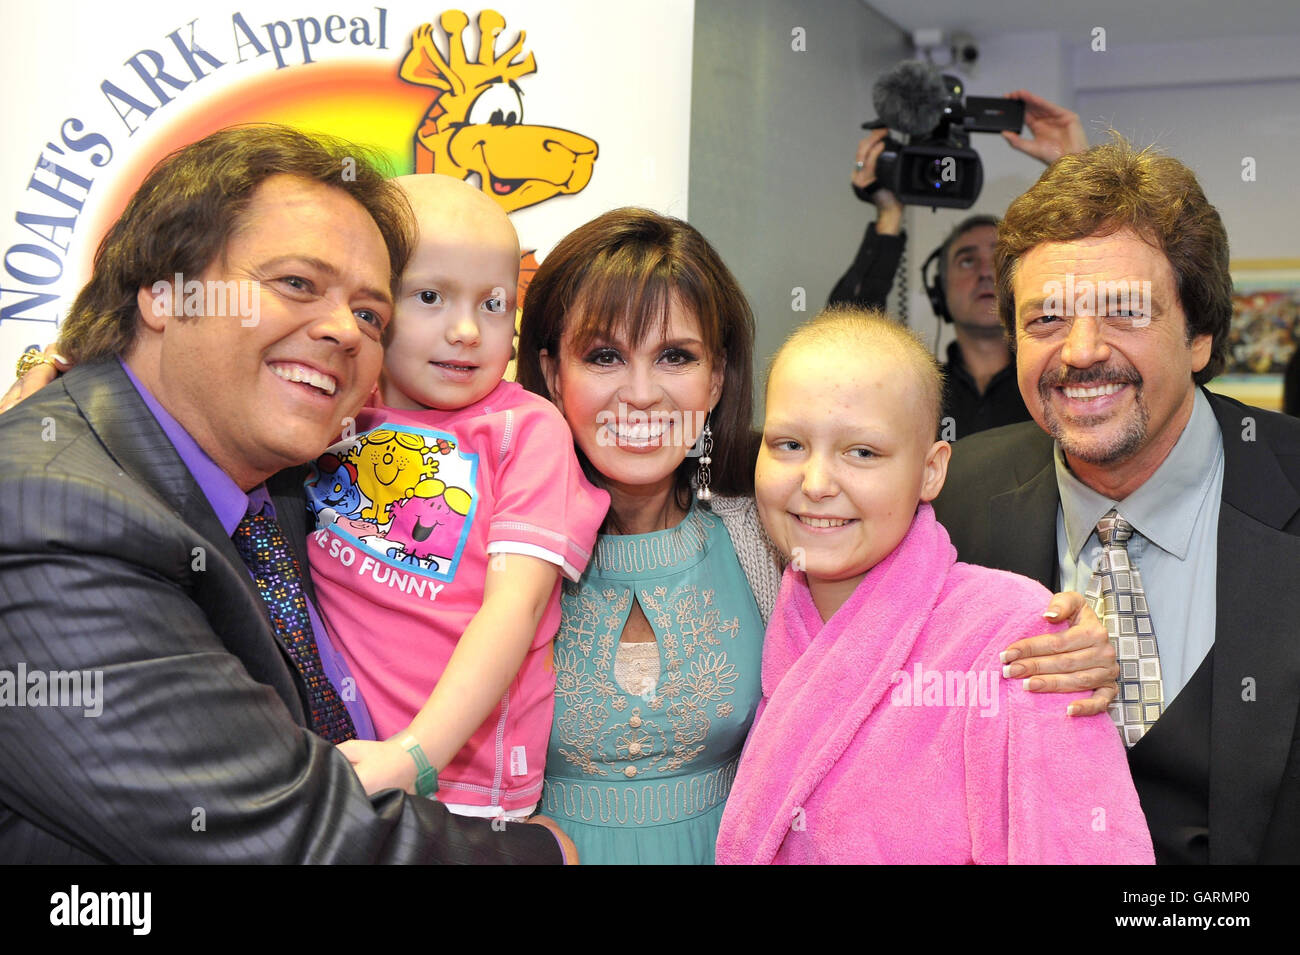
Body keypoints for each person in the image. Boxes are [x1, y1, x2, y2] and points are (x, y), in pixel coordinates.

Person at [0, 126, 570, 863]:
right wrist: (545, 854)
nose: (341, 330)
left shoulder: (290, 469)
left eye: (370, 314)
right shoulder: (52, 510)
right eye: (298, 284)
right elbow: (277, 835)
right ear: (164, 291)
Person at [514, 208, 1122, 865]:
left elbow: (920, 610)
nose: (640, 392)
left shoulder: (770, 531)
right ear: (552, 373)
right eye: (604, 355)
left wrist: (1063, 637)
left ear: (715, 377)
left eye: (674, 356)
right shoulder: (494, 550)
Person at [933, 136, 1300, 864]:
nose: (1078, 351)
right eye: (1045, 320)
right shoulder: (951, 502)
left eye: (1123, 312)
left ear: (1199, 333)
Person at [715, 308, 1153, 864]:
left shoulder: (1019, 637)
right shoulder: (767, 611)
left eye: (862, 452)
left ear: (931, 471)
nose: (817, 483)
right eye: (788, 445)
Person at [304, 174, 608, 818]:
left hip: (459, 783)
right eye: (432, 296)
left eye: (494, 304)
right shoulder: (336, 408)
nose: (467, 330)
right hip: (330, 755)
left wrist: (416, 753)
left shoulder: (524, 432)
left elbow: (514, 610)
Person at [829, 90, 1088, 439]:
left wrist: (1078, 169)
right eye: (966, 260)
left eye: (996, 259)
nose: (985, 272)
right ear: (938, 291)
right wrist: (889, 214)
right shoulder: (914, 387)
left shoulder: (1060, 377)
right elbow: (842, 337)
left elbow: (1102, 271)